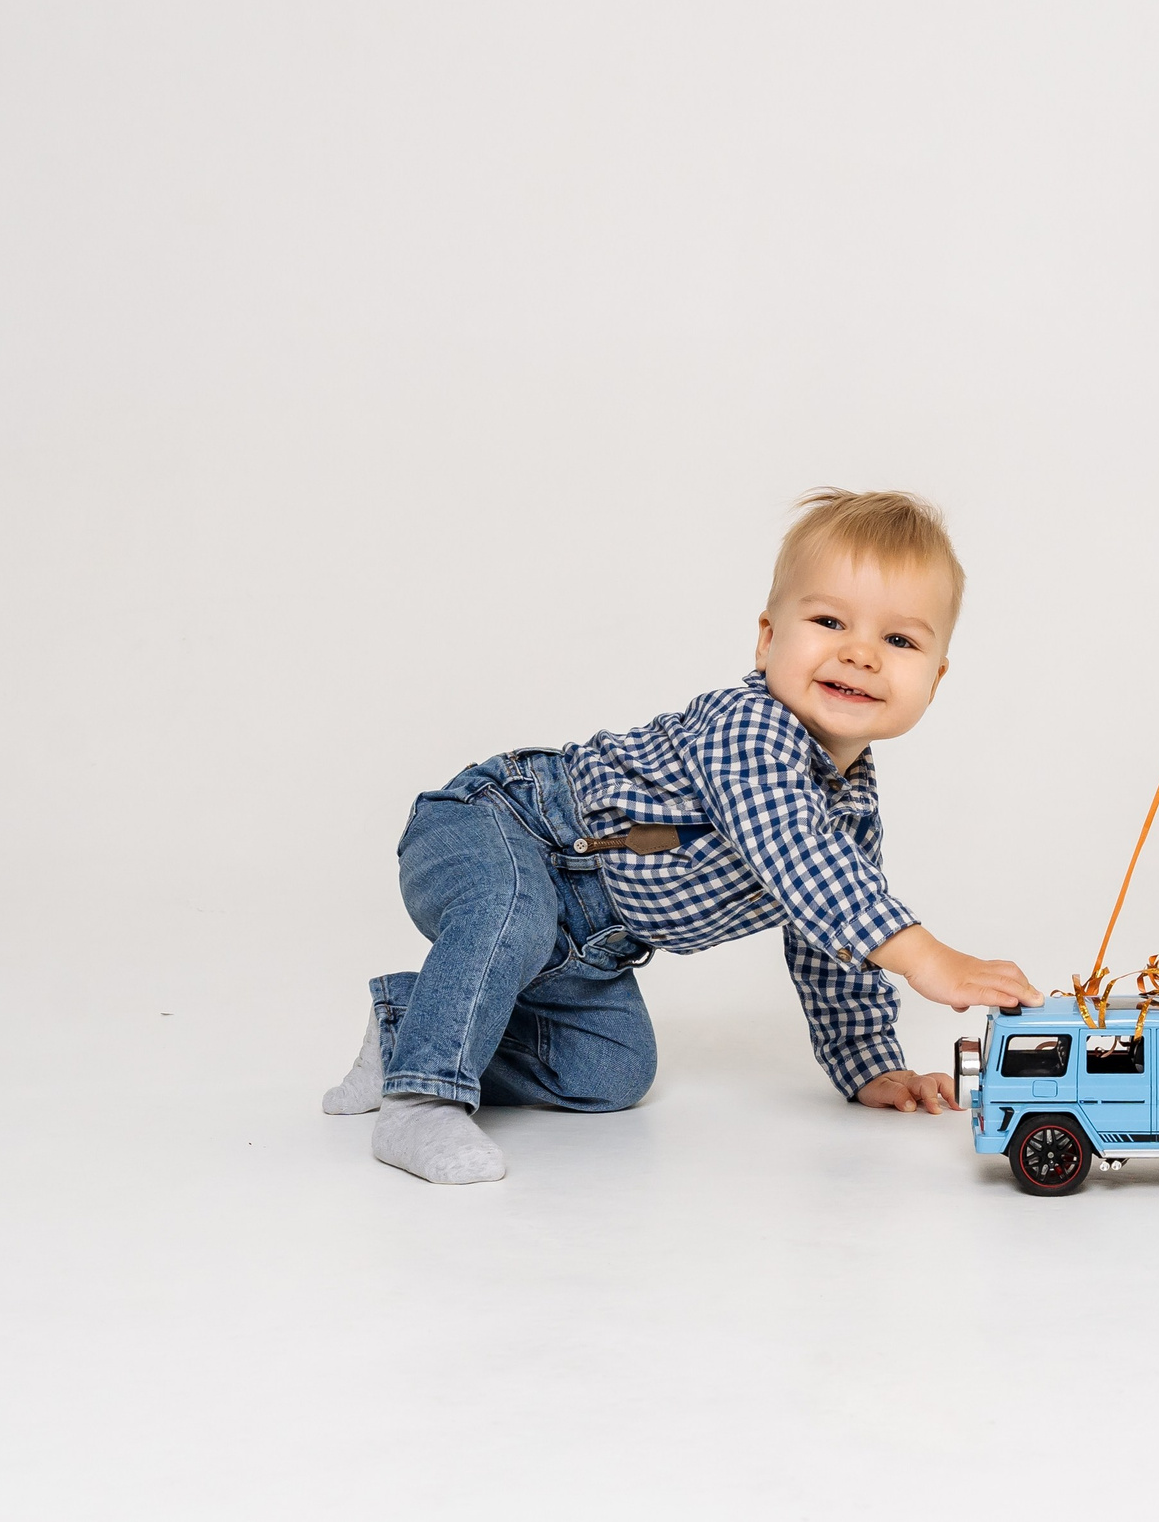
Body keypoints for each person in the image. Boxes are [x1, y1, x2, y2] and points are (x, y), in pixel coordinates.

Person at [322, 488, 1042, 1183]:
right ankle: (422, 1100)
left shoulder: (850, 810)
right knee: (509, 910)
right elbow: (795, 849)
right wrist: (922, 955)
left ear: (936, 678)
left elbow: (830, 937)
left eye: (897, 638)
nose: (860, 653)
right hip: (503, 826)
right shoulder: (748, 725)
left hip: (594, 944)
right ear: (767, 639)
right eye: (828, 622)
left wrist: (869, 1064)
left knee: (614, 1068)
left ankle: (405, 1029)